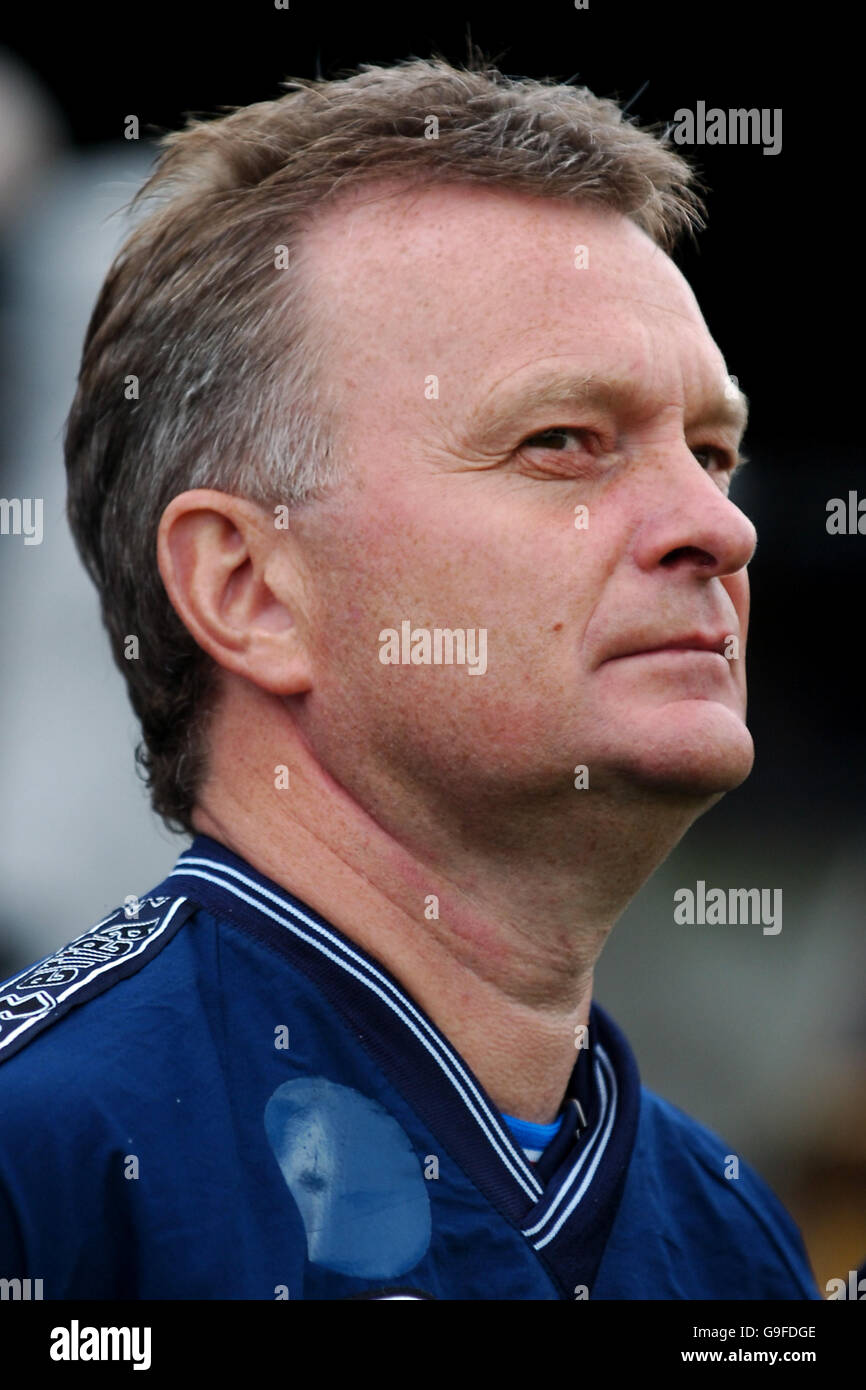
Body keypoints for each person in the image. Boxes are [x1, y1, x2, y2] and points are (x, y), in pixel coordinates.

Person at [0, 55, 821, 1300]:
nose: (719, 526)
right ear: (247, 588)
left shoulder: (734, 1237)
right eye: (562, 442)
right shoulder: (40, 1173)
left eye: (711, 451)